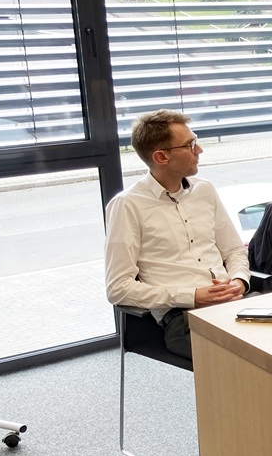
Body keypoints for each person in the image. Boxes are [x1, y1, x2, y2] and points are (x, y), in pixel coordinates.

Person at [104, 110, 250, 361]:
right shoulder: (127, 205)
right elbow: (118, 289)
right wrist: (192, 296)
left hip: (233, 304)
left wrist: (239, 280)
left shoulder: (204, 190)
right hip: (183, 318)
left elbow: (234, 250)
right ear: (161, 157)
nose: (200, 150)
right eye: (191, 145)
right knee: (251, 358)